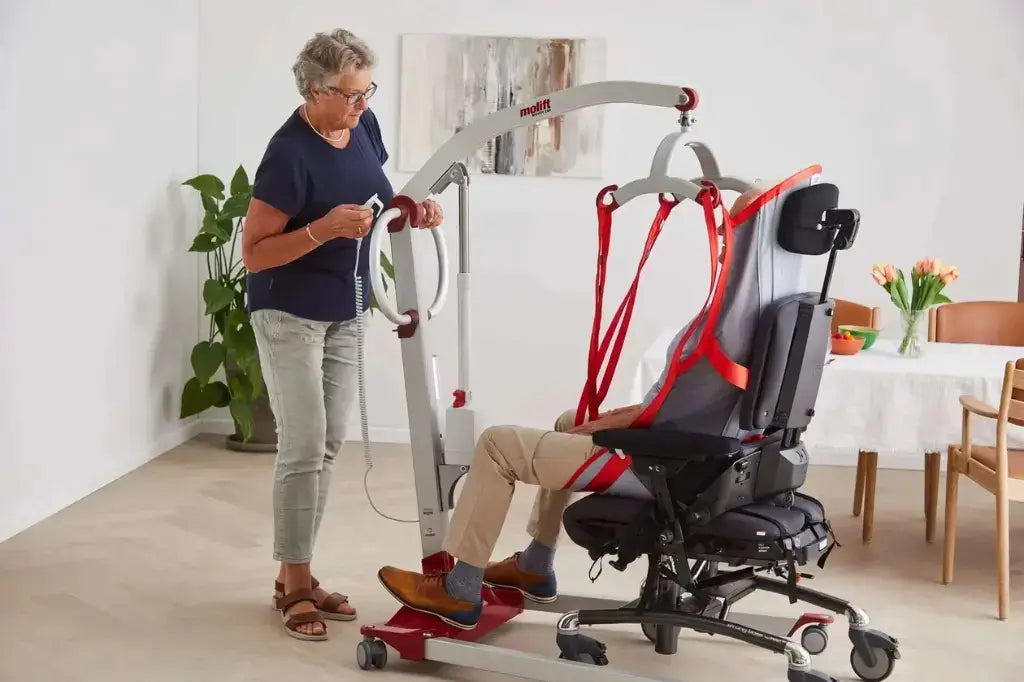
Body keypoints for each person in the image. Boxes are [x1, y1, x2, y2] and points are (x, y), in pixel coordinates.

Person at [377, 186, 764, 630]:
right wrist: (602, 422)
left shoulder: (724, 327)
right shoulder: (757, 316)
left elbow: (673, 413)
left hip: (665, 468)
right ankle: (536, 565)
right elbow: (690, 406)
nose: (720, 234)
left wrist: (610, 427)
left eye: (729, 227)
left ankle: (459, 589)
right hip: (709, 458)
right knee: (570, 422)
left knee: (497, 445)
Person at [240, 29, 444, 642]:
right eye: (351, 95)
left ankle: (292, 575)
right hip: (288, 313)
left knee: (329, 445)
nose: (362, 105)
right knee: (303, 444)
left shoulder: (364, 125)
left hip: (346, 309)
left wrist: (413, 206)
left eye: (366, 91)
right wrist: (322, 231)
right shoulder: (287, 154)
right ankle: (296, 586)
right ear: (313, 90)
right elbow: (253, 254)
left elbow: (379, 195)